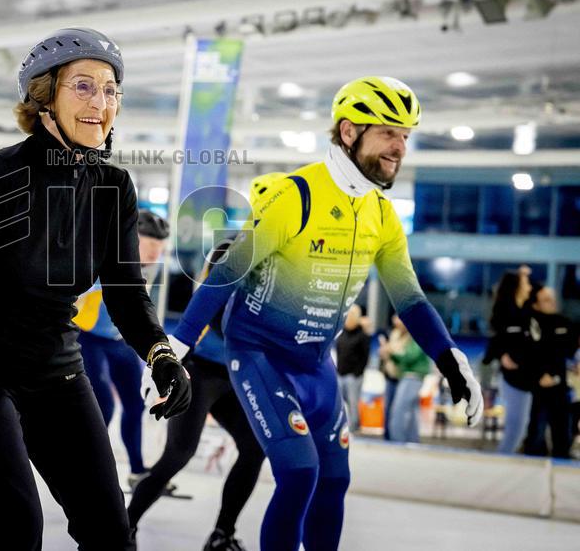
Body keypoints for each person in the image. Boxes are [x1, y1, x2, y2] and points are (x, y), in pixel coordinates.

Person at [0, 28, 191, 551]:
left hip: (55, 367)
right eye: (83, 87)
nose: (102, 102)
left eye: (111, 89)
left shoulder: (114, 187)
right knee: (17, 531)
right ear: (43, 95)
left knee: (111, 532)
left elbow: (125, 291)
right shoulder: (4, 173)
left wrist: (160, 353)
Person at [170, 76, 482, 551]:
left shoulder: (382, 212)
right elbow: (228, 270)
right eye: (389, 132)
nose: (400, 147)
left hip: (316, 366)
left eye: (406, 136)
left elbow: (409, 297)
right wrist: (174, 345)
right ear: (350, 131)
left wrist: (449, 357)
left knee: (334, 483)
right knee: (298, 474)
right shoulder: (297, 193)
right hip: (260, 355)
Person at [129, 236, 266, 551]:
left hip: (231, 374)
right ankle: (125, 524)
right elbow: (218, 322)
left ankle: (222, 534)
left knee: (254, 447)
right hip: (201, 371)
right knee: (179, 453)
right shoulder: (230, 259)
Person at [74, 209, 170, 487]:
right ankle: (86, 470)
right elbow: (72, 300)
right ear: (134, 238)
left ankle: (137, 471)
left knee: (134, 404)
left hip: (120, 343)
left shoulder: (143, 269)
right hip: (89, 340)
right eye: (152, 245)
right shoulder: (103, 262)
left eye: (161, 247)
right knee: (103, 404)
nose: (156, 253)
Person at [483, 266, 539, 454]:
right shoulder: (506, 313)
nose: (529, 288)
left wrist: (524, 277)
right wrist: (501, 355)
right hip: (514, 379)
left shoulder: (526, 312)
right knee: (515, 430)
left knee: (520, 429)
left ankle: (504, 459)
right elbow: (496, 339)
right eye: (526, 284)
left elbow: (536, 292)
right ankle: (500, 463)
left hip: (527, 378)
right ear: (516, 288)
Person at [523, 285, 577, 458]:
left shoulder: (565, 323)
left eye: (553, 299)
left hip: (560, 390)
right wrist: (539, 375)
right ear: (536, 304)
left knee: (563, 437)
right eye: (546, 300)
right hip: (535, 390)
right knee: (536, 438)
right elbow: (527, 354)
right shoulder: (528, 324)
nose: (552, 303)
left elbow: (571, 352)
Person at [380, 315, 430, 443]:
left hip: (412, 376)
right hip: (408, 375)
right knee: (412, 412)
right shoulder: (408, 335)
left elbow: (410, 357)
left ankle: (397, 441)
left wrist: (391, 353)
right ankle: (413, 441)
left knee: (399, 411)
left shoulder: (418, 334)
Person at [335, 304, 373, 432]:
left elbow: (365, 357)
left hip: (353, 376)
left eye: (352, 315)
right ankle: (340, 427)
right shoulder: (342, 333)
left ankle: (354, 428)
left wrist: (357, 374)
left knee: (353, 404)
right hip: (341, 373)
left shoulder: (362, 335)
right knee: (339, 403)